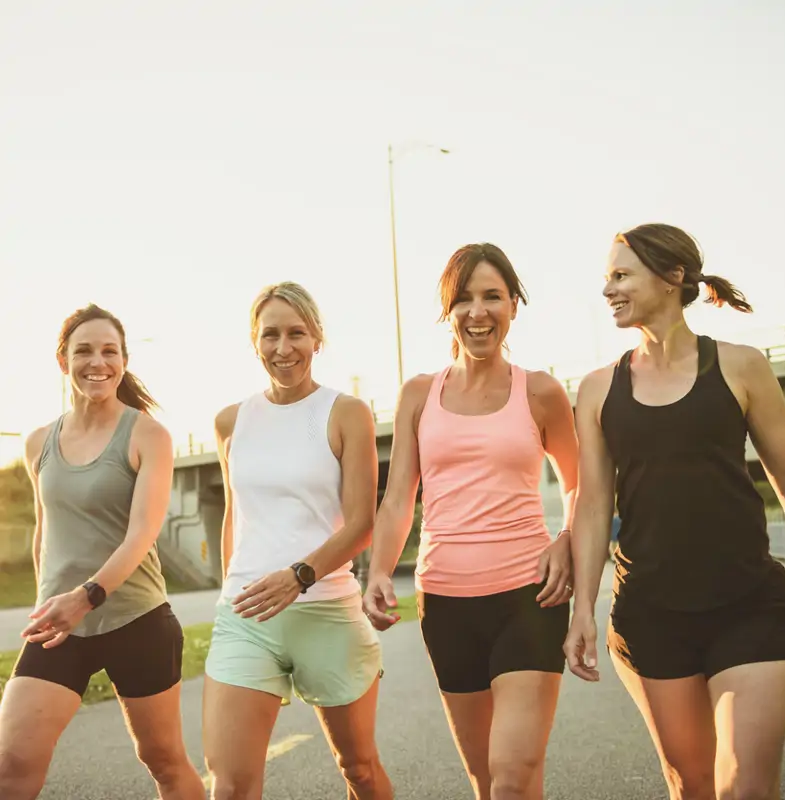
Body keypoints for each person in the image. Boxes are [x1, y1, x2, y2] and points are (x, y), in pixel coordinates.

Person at [564, 223, 785, 800]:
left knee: (745, 784)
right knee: (691, 784)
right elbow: (593, 506)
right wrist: (581, 611)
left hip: (749, 604)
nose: (608, 290)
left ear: (671, 278)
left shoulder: (741, 367)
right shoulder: (599, 389)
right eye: (607, 277)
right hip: (650, 614)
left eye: (621, 275)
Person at [363, 243, 578, 800]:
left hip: (529, 598)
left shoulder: (541, 391)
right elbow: (397, 499)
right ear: (447, 311)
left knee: (510, 775)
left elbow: (582, 484)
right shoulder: (418, 394)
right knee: (487, 780)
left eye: (492, 297)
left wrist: (568, 537)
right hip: (446, 601)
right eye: (464, 299)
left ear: (513, 306)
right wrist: (380, 572)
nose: (477, 312)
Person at [0, 304, 205, 800]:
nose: (98, 362)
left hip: (137, 619)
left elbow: (142, 533)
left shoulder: (147, 435)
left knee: (163, 761)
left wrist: (85, 596)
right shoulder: (38, 442)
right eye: (84, 350)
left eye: (109, 351)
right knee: (11, 761)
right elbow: (46, 528)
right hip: (59, 626)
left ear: (124, 360)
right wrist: (48, 600)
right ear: (62, 360)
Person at [202, 281, 392, 800]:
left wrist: (298, 576)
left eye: (296, 333)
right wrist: (229, 592)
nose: (283, 348)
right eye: (270, 335)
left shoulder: (345, 412)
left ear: (317, 340)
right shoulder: (230, 422)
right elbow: (234, 517)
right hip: (246, 618)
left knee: (359, 769)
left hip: (326, 612)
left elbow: (361, 523)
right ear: (254, 341)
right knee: (231, 782)